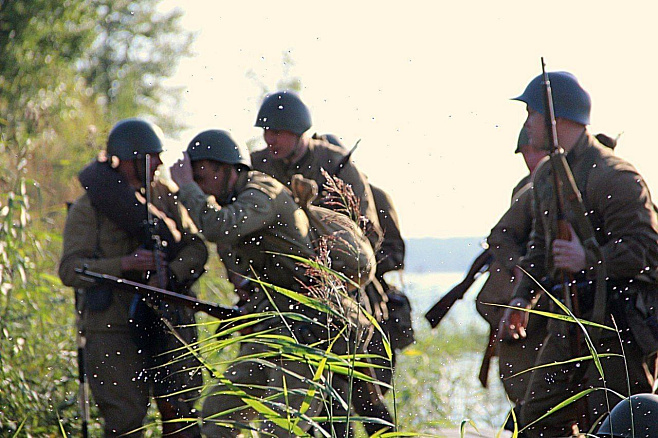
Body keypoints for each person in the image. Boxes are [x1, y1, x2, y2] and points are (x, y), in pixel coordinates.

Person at [170, 129, 373, 437]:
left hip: (308, 328)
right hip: (274, 326)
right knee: (216, 414)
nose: (199, 186)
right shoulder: (237, 199)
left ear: (227, 169)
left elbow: (217, 226)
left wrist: (186, 188)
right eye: (194, 180)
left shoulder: (261, 192)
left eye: (201, 177)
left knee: (281, 430)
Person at [499, 71, 658, 436]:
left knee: (623, 424)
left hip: (620, 326)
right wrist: (522, 297)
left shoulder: (614, 175)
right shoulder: (546, 177)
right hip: (570, 319)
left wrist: (589, 259)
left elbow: (646, 250)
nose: (528, 125)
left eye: (531, 114)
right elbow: (541, 249)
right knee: (537, 420)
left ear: (555, 119)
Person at [59, 118, 208, 437]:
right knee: (124, 421)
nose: (159, 164)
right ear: (129, 158)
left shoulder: (165, 195)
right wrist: (124, 263)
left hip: (168, 319)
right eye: (152, 156)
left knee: (182, 415)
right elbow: (70, 269)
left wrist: (169, 274)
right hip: (113, 327)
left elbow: (195, 249)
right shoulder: (90, 208)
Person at [476, 127, 548, 409]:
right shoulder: (528, 188)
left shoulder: (556, 183)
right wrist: (520, 267)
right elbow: (501, 235)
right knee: (522, 385)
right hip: (521, 301)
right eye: (526, 153)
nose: (530, 159)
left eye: (535, 151)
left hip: (549, 301)